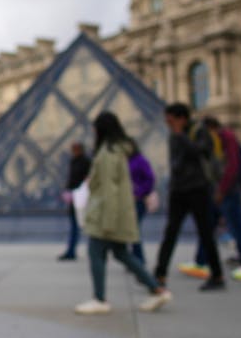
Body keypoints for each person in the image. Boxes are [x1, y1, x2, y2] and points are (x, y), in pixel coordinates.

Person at [74, 112, 171, 315]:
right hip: (118, 212)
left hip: (106, 215)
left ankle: (99, 299)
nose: (92, 132)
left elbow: (110, 189)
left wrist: (108, 222)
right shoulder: (119, 150)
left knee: (96, 253)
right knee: (122, 253)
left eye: (95, 128)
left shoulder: (108, 153)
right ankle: (157, 289)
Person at [154, 103, 226, 291]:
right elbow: (175, 162)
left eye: (170, 120)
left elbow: (199, 153)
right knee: (170, 232)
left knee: (205, 232)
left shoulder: (199, 131)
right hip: (179, 189)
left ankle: (217, 275)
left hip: (198, 188)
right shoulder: (173, 134)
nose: (168, 123)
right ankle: (159, 274)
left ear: (181, 118)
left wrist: (180, 135)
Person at [182, 117, 241, 281]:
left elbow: (232, 166)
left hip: (227, 189)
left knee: (235, 226)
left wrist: (222, 190)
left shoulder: (226, 137)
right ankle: (200, 262)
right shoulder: (219, 139)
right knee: (208, 226)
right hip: (220, 188)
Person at [59, 142, 91, 261]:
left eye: (75, 149)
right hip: (75, 197)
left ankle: (73, 251)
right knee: (75, 225)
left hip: (81, 197)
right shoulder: (75, 161)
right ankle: (71, 251)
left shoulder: (85, 162)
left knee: (79, 225)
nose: (73, 151)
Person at [127, 143, 156, 265]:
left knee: (134, 230)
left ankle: (138, 258)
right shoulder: (126, 160)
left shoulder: (140, 161)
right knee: (131, 230)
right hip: (128, 200)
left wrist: (139, 193)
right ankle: (135, 257)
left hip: (137, 200)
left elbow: (150, 179)